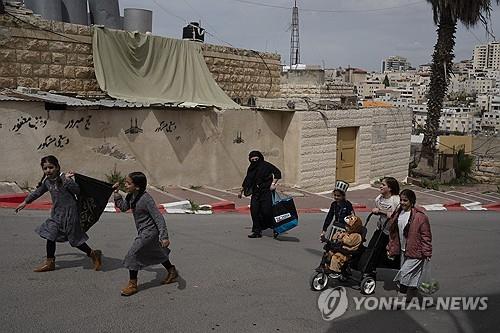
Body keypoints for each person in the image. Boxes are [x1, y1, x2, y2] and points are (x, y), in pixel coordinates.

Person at [15, 155, 102, 272]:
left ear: (57, 167)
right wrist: (25, 202)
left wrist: (67, 180)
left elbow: (77, 190)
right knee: (50, 234)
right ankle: (50, 262)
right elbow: (37, 193)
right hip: (57, 214)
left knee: (74, 240)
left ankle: (93, 254)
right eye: (45, 168)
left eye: (51, 167)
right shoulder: (47, 182)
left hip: (71, 214)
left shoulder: (64, 178)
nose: (48, 171)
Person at [113, 172, 178, 296]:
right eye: (125, 182)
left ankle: (132, 284)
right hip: (143, 231)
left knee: (133, 254)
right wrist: (116, 193)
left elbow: (158, 217)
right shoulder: (131, 196)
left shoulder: (146, 199)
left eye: (128, 183)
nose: (125, 185)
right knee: (156, 252)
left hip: (149, 232)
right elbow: (123, 207)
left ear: (137, 186)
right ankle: (171, 270)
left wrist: (164, 236)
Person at [387, 189, 432, 304]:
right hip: (404, 250)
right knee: (413, 276)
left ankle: (400, 300)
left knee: (404, 273)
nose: (402, 203)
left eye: (405, 200)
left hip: (417, 252)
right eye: (401, 200)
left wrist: (427, 253)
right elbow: (394, 233)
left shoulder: (420, 217)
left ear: (412, 201)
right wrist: (391, 247)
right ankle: (417, 298)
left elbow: (426, 236)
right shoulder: (398, 213)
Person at [238, 150, 282, 238]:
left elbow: (278, 173)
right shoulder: (251, 168)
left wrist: (273, 184)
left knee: (267, 212)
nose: (255, 161)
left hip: (266, 192)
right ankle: (257, 231)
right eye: (252, 159)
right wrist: (241, 191)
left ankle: (276, 228)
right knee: (254, 212)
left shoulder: (266, 165)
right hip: (256, 193)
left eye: (256, 159)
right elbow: (247, 180)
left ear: (260, 158)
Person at [369, 177, 400, 269]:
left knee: (393, 253)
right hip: (381, 229)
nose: (381, 186)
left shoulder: (396, 200)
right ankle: (371, 269)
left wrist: (381, 211)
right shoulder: (379, 199)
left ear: (390, 188)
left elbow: (395, 216)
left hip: (393, 233)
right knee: (373, 249)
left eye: (383, 185)